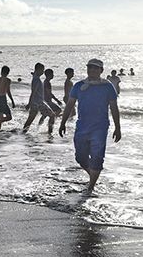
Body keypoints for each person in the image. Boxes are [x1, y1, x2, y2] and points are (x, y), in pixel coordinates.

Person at [58, 59, 122, 194]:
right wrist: (62, 123)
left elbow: (114, 108)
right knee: (80, 158)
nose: (92, 70)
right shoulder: (79, 86)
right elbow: (69, 105)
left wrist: (118, 127)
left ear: (101, 70)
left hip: (100, 127)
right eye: (90, 68)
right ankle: (93, 175)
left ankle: (91, 187)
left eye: (95, 68)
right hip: (82, 127)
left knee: (97, 157)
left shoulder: (107, 86)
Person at [22, 62, 55, 134]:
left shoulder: (35, 78)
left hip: (35, 103)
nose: (43, 72)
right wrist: (29, 103)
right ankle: (50, 133)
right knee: (52, 115)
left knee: (30, 120)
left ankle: (23, 133)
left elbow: (34, 75)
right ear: (38, 70)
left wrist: (34, 74)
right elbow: (33, 92)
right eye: (42, 70)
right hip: (38, 103)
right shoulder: (36, 80)